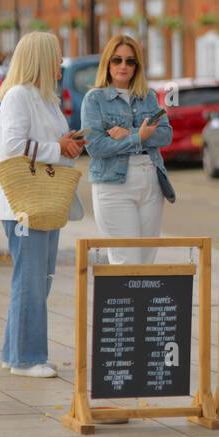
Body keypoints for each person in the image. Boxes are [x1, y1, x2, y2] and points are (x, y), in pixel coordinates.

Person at [0, 32, 86, 378]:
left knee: (38, 280)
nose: (61, 62)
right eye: (56, 56)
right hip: (22, 203)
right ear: (40, 58)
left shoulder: (45, 98)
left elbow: (49, 142)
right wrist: (57, 148)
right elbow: (12, 147)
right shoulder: (18, 96)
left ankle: (13, 351)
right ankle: (27, 358)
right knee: (30, 280)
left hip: (45, 201)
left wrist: (69, 143)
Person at [81, 35, 174, 265]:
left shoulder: (148, 97)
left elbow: (165, 134)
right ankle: (123, 303)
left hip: (151, 182)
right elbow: (96, 147)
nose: (123, 66)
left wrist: (130, 133)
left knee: (146, 260)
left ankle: (141, 303)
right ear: (107, 63)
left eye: (130, 61)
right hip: (114, 186)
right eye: (117, 60)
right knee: (127, 262)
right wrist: (139, 137)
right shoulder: (95, 99)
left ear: (137, 67)